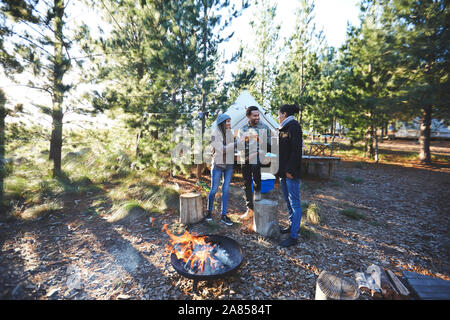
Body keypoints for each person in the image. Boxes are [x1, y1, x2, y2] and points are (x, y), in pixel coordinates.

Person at [238, 106, 271, 217]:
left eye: (258, 115)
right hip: (245, 159)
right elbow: (239, 147)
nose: (257, 117)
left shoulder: (265, 127)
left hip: (258, 157)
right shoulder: (242, 129)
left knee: (256, 175)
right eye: (254, 115)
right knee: (246, 182)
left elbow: (269, 147)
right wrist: (244, 139)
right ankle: (250, 209)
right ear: (248, 116)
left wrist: (258, 140)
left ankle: (257, 203)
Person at [277, 104, 303, 247]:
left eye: (279, 114)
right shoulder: (283, 128)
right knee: (288, 203)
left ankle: (293, 236)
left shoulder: (294, 127)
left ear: (285, 114)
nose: (278, 117)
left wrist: (289, 170)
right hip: (283, 172)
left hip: (290, 172)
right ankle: (291, 226)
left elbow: (296, 151)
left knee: (295, 204)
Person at [205, 114, 238, 226]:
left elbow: (232, 147)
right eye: (227, 121)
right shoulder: (214, 134)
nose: (229, 123)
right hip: (218, 165)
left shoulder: (230, 132)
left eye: (230, 121)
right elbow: (221, 149)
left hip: (229, 165)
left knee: (226, 189)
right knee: (214, 189)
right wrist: (236, 144)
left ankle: (224, 215)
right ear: (222, 123)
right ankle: (209, 212)